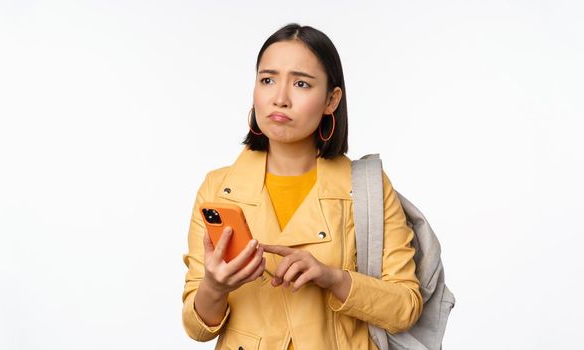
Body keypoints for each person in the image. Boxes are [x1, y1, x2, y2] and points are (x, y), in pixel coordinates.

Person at [181, 23, 422, 350]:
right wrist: (214, 285)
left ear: (331, 100)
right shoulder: (218, 188)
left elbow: (406, 307)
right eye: (267, 80)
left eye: (301, 83)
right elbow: (198, 329)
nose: (280, 98)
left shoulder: (366, 186)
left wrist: (333, 277)